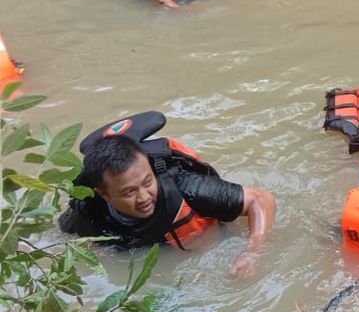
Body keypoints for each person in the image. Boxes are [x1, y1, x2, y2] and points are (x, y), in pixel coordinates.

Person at [58, 112, 275, 278]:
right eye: (129, 192)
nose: (143, 197)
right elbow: (63, 236)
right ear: (104, 194)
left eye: (147, 182)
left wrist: (252, 253)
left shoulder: (186, 187)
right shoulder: (90, 210)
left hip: (205, 259)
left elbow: (261, 199)